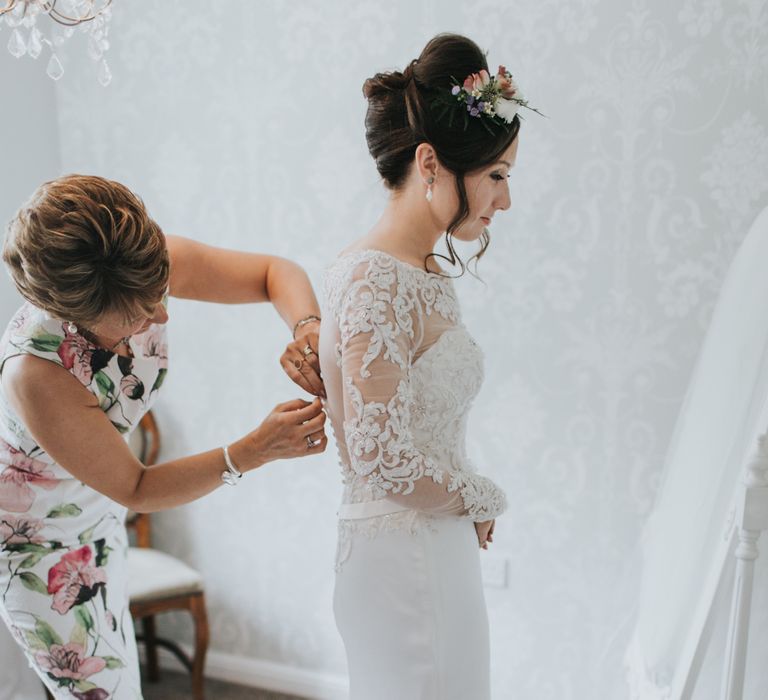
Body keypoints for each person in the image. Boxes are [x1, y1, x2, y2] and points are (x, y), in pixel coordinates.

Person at [0, 174, 326, 699]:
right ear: (74, 317)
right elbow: (138, 487)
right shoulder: (35, 374)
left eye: (158, 293)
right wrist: (255, 450)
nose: (161, 314)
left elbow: (274, 273)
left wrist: (307, 328)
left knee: (124, 682)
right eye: (137, 313)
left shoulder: (138, 266)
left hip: (98, 519)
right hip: (39, 549)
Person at [318, 33, 535, 699]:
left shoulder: (424, 273)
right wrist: (480, 493)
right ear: (430, 162)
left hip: (434, 550)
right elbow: (381, 453)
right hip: (402, 564)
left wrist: (461, 497)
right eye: (496, 175)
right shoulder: (375, 279)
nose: (504, 201)